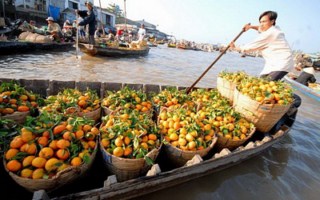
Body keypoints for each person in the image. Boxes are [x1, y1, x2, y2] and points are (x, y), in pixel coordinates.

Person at [230, 11, 293, 81]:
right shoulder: (275, 28)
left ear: (272, 21)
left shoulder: (270, 34)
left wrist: (235, 48)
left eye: (264, 22)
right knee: (261, 81)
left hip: (281, 64)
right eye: (260, 22)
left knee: (264, 85)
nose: (261, 24)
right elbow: (261, 28)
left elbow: (249, 47)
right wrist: (250, 27)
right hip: (273, 63)